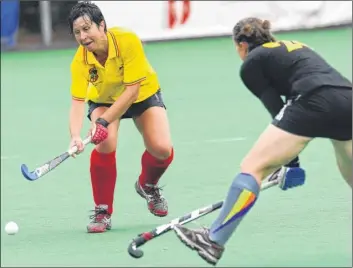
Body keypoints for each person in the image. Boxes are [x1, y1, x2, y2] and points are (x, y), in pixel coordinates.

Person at [173, 17, 352, 265]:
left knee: (253, 167)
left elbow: (276, 108)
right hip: (347, 99)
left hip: (312, 100)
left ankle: (212, 240)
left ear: (241, 46)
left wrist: (291, 163)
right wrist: (289, 163)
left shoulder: (251, 63)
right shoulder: (295, 45)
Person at [67, 1, 174, 233]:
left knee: (162, 148)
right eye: (77, 32)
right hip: (104, 99)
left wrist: (102, 122)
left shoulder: (127, 40)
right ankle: (103, 211)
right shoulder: (80, 61)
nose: (83, 37)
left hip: (141, 93)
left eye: (87, 29)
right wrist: (75, 136)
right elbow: (77, 100)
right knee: (105, 143)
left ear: (102, 25)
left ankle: (148, 185)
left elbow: (132, 90)